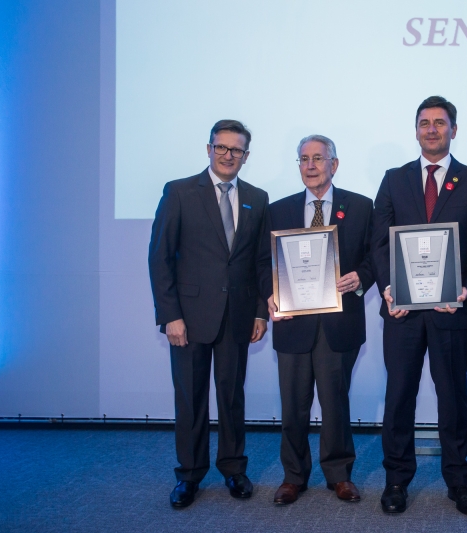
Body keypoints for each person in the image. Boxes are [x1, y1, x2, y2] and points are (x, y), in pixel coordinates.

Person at [371, 96, 467, 515]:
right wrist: (389, 289)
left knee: (453, 399)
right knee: (399, 397)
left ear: (453, 130)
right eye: (424, 122)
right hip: (402, 313)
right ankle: (396, 481)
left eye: (439, 123)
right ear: (416, 130)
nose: (431, 129)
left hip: (451, 312)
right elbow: (379, 243)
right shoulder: (394, 179)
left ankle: (459, 482)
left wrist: (466, 290)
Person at [148, 119, 272, 508]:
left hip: (238, 317)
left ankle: (234, 469)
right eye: (221, 147)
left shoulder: (258, 197)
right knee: (191, 399)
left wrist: (259, 312)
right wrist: (170, 315)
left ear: (246, 156)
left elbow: (260, 261)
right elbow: (160, 258)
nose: (228, 155)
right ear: (208, 149)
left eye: (236, 150)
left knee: (232, 397)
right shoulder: (180, 192)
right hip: (188, 318)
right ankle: (189, 475)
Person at [267, 135, 374, 506]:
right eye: (303, 159)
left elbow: (376, 256)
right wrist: (271, 292)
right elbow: (262, 264)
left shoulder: (360, 207)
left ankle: (339, 475)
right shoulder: (278, 209)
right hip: (293, 322)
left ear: (334, 164)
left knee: (335, 402)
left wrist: (362, 277)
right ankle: (293, 477)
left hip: (338, 322)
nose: (310, 166)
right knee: (293, 404)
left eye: (318, 159)